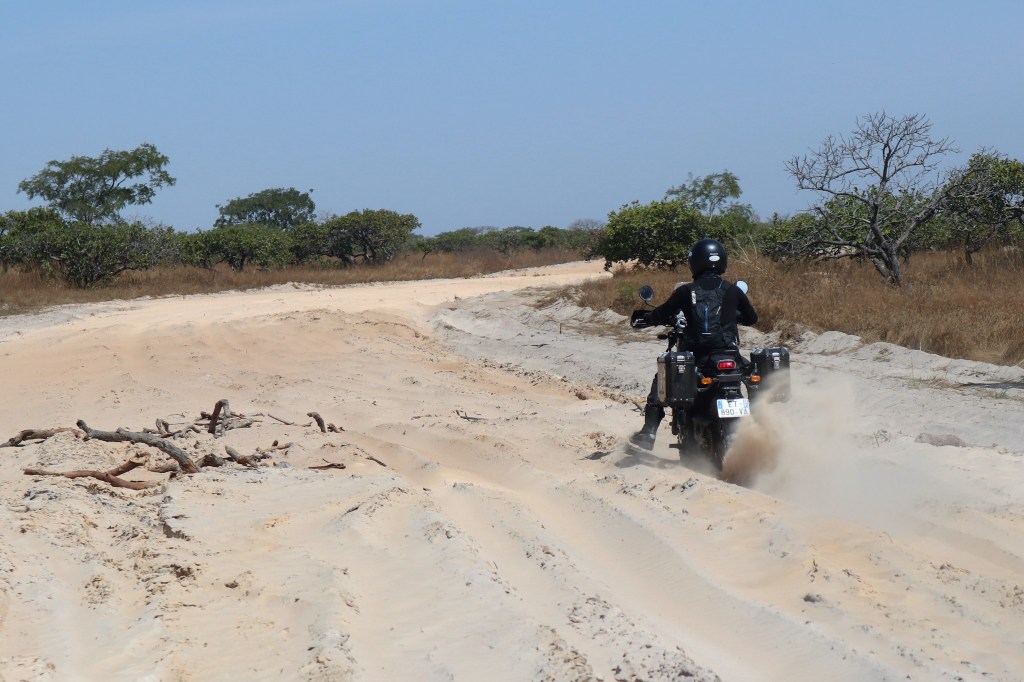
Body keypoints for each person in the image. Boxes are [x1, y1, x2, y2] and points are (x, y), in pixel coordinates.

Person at [628, 238, 758, 450]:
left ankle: (649, 433)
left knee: (662, 378)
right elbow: (752, 318)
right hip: (729, 356)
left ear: (694, 262)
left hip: (698, 357)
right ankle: (760, 424)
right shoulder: (734, 291)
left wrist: (647, 319)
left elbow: (662, 312)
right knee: (750, 374)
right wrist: (732, 315)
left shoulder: (686, 291)